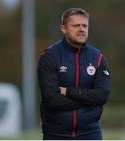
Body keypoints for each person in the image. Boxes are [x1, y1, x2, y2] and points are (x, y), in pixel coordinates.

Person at [37, 8, 111, 140]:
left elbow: (102, 96)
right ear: (63, 28)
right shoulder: (50, 57)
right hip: (56, 134)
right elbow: (52, 99)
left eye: (85, 26)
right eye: (76, 26)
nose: (82, 29)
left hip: (90, 133)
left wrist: (69, 92)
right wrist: (88, 100)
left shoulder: (98, 58)